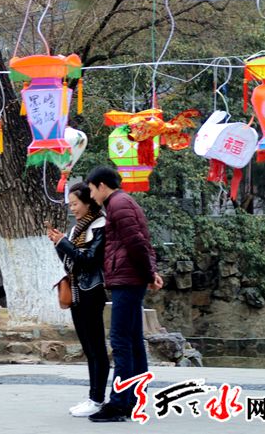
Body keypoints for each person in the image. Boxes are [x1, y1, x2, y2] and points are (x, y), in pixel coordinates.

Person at [84, 166, 164, 423]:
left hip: (127, 280)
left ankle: (119, 403)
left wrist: (149, 274)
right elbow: (141, 241)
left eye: (91, 189)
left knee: (120, 341)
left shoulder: (119, 204)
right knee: (132, 341)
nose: (91, 195)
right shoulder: (121, 203)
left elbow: (137, 243)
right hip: (130, 278)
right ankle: (133, 400)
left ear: (102, 185)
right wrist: (150, 272)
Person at [47, 183, 109, 418]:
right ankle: (93, 396)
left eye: (75, 204)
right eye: (70, 204)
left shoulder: (100, 225)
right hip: (75, 291)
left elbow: (90, 260)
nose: (72, 208)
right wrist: (58, 243)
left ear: (88, 203)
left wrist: (64, 243)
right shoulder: (76, 229)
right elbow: (70, 260)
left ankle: (97, 398)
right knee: (87, 347)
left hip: (91, 291)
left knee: (96, 346)